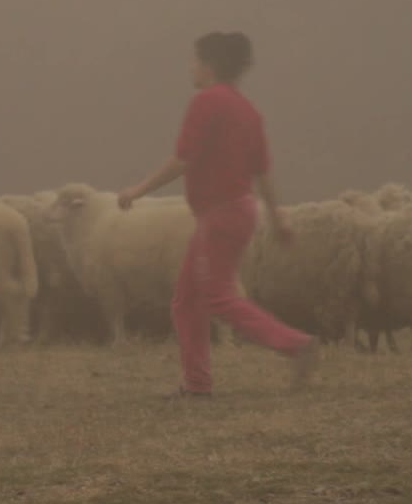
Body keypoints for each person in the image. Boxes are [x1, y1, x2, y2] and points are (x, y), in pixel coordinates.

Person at [116, 31, 316, 399]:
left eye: (194, 61)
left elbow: (183, 159)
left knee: (219, 296)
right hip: (238, 211)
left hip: (220, 215)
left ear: (208, 65)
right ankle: (197, 384)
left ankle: (294, 344)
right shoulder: (248, 110)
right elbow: (262, 171)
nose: (190, 68)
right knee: (187, 299)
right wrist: (276, 217)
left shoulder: (206, 102)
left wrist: (137, 191)